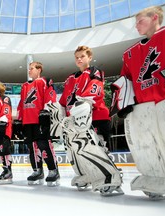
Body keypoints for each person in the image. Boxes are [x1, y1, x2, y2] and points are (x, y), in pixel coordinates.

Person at [113, 6, 165, 198]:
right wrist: (123, 104)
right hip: (143, 107)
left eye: (140, 21)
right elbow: (125, 81)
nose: (136, 26)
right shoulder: (130, 53)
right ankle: (157, 179)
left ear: (155, 17)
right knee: (148, 148)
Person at [57, 45, 123, 195]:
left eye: (82, 56)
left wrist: (84, 104)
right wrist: (60, 112)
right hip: (75, 119)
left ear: (89, 57)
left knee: (99, 148)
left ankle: (112, 178)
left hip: (97, 116)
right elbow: (63, 100)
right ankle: (88, 174)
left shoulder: (95, 71)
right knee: (79, 149)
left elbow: (94, 90)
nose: (79, 59)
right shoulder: (70, 79)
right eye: (77, 57)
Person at [17, 61, 60, 186]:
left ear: (39, 69)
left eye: (31, 68)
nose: (29, 71)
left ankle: (53, 170)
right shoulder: (24, 85)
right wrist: (20, 119)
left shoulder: (44, 81)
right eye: (29, 69)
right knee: (32, 148)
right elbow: (22, 103)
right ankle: (37, 171)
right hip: (28, 121)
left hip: (40, 119)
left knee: (44, 145)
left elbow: (50, 96)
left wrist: (46, 112)